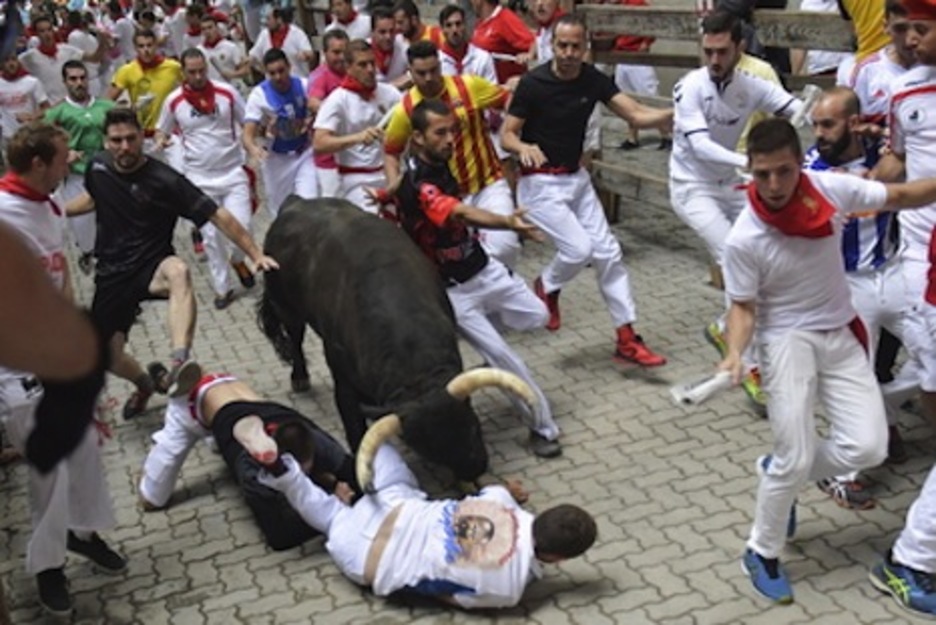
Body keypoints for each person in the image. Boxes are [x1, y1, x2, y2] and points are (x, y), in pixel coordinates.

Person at [718, 117, 936, 604]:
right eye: (762, 174)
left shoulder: (831, 189)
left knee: (869, 447)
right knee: (796, 456)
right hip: (785, 339)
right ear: (750, 171)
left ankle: (777, 470)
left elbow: (900, 197)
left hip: (839, 330)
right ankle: (762, 550)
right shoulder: (744, 237)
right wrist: (734, 354)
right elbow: (743, 307)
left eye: (783, 171)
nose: (773, 185)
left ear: (800, 165)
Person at [66, 107, 278, 420]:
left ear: (142, 137)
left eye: (131, 139)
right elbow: (94, 198)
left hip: (153, 268)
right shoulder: (97, 166)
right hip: (111, 275)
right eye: (116, 140)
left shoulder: (164, 179)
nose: (124, 147)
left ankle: (180, 361)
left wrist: (255, 253)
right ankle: (146, 383)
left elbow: (217, 215)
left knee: (179, 271)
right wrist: (54, 210)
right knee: (107, 357)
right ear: (106, 142)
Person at [383, 98, 562, 457]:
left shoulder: (441, 165)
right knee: (506, 357)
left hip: (485, 269)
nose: (451, 139)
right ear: (417, 138)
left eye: (453, 130)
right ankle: (543, 429)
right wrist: (507, 221)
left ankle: (493, 356)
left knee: (539, 316)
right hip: (453, 293)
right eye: (441, 132)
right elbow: (459, 212)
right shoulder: (420, 183)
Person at [0, 122, 124, 618]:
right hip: (19, 369)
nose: (69, 163)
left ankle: (82, 533)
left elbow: (61, 272)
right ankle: (48, 568)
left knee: (88, 450)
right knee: (49, 468)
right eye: (61, 159)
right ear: (37, 165)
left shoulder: (48, 204)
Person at [501, 15, 672, 367]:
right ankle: (546, 286)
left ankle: (626, 337)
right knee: (578, 250)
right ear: (552, 45)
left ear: (585, 47)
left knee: (609, 254)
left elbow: (636, 115)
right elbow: (507, 134)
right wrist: (522, 149)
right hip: (539, 184)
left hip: (576, 180)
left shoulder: (592, 80)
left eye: (575, 46)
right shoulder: (533, 83)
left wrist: (677, 112)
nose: (567, 53)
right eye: (561, 45)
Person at [258, 438, 595, 607]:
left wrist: (511, 492)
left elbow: (494, 491)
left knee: (382, 449)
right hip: (370, 557)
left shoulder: (500, 502)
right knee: (331, 519)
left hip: (396, 508)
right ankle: (287, 476)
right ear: (559, 559)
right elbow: (444, 596)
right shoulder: (508, 591)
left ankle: (345, 473)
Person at [668, 11, 802, 402]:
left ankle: (726, 326)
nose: (713, 59)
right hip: (692, 187)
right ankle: (751, 365)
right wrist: (748, 163)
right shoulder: (689, 86)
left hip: (731, 185)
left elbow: (791, 107)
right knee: (734, 256)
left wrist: (811, 115)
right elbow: (700, 145)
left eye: (722, 51)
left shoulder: (751, 84)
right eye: (707, 51)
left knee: (763, 256)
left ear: (739, 48)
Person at [804, 87, 911, 509]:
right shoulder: (813, 168)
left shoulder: (878, 153)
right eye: (815, 124)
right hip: (846, 287)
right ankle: (839, 475)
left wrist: (879, 129)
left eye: (827, 124)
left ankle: (883, 418)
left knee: (930, 358)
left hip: (894, 271)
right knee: (856, 380)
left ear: (852, 123)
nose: (818, 133)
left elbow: (907, 134)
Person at [138, 373, 357, 551]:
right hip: (191, 405)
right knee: (152, 499)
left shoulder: (317, 441)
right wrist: (337, 507)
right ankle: (168, 383)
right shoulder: (252, 466)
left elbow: (359, 476)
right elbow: (279, 537)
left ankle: (172, 382)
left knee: (220, 439)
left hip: (237, 392)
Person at [385, 41, 520, 270]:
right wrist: (396, 186)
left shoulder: (468, 86)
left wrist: (510, 130)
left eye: (434, 70)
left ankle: (497, 288)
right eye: (421, 73)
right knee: (452, 259)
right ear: (410, 72)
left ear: (440, 65)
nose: (429, 77)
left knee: (506, 245)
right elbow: (391, 151)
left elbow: (508, 100)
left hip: (487, 183)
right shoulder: (405, 109)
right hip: (446, 196)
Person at [872, 0, 936, 427]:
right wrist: (856, 190)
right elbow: (897, 158)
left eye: (921, 29)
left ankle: (880, 410)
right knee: (931, 358)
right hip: (919, 251)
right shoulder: (906, 90)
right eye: (906, 29)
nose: (910, 39)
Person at [157, 49, 255, 310]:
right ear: (183, 73)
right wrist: (160, 139)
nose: (198, 76)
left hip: (233, 172)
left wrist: (253, 145)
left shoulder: (227, 93)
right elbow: (161, 129)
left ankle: (237, 259)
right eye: (192, 72)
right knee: (211, 237)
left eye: (202, 70)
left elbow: (247, 122)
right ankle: (222, 288)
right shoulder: (174, 101)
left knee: (242, 228)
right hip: (199, 178)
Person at [313, 39, 400, 213]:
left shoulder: (389, 93)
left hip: (392, 174)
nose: (369, 70)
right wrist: (358, 137)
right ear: (348, 67)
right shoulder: (337, 100)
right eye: (362, 64)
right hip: (357, 180)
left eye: (371, 63)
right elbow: (319, 144)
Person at [45, 60, 114, 276]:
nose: (79, 83)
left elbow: (122, 131)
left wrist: (111, 143)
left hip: (106, 174)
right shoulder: (57, 113)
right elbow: (41, 144)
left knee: (111, 225)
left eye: (83, 78)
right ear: (65, 82)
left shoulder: (106, 107)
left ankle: (109, 270)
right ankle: (87, 251)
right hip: (77, 178)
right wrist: (63, 155)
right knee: (83, 228)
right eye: (73, 79)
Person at [243, 48, 318, 216]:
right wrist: (254, 149)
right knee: (281, 213)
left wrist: (313, 119)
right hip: (276, 159)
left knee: (310, 206)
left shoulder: (305, 85)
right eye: (272, 73)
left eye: (281, 71)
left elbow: (320, 110)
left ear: (290, 67)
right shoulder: (259, 95)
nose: (278, 77)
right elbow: (247, 133)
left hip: (304, 153)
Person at [106, 29, 183, 156]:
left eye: (149, 45)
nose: (146, 50)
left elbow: (189, 89)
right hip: (141, 135)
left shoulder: (173, 67)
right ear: (135, 48)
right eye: (141, 46)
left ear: (156, 45)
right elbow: (107, 102)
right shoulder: (127, 70)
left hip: (169, 133)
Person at [19, 14, 109, 104]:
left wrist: (103, 42)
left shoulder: (66, 50)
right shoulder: (29, 57)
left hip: (69, 105)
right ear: (36, 34)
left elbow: (95, 58)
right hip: (47, 109)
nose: (47, 34)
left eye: (49, 29)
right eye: (42, 31)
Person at [308, 29, 349, 197]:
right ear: (325, 53)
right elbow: (313, 102)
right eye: (336, 52)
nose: (341, 57)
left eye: (344, 52)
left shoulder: (352, 72)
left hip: (350, 156)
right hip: (328, 161)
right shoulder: (320, 76)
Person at [469, 0, 533, 83]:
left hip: (506, 88)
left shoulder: (505, 18)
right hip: (485, 88)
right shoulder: (480, 23)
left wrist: (529, 55)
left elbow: (533, 42)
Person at [0, 53, 48, 154]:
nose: (11, 64)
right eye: (7, 61)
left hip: (29, 135)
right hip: (7, 136)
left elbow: (47, 108)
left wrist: (32, 117)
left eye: (13, 60)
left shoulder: (32, 82)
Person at [248, 7, 313, 78]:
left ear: (279, 20)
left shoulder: (296, 33)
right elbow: (253, 56)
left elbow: (309, 53)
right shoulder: (264, 34)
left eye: (269, 19)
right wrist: (264, 69)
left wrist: (304, 55)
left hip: (296, 78)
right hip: (273, 83)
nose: (266, 22)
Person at [198, 14, 251, 89]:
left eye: (210, 27)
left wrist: (232, 74)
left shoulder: (230, 47)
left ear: (217, 28)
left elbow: (246, 70)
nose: (207, 31)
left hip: (231, 88)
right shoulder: (199, 51)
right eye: (203, 29)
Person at [370, 8, 410, 88]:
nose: (388, 37)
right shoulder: (363, 51)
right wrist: (392, 86)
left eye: (392, 31)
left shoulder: (403, 46)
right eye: (382, 32)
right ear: (372, 32)